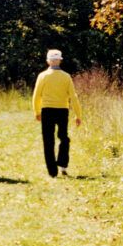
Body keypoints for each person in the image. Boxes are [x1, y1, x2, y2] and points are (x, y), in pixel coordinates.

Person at [32, 49, 82, 178]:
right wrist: (78, 114)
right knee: (63, 137)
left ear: (48, 61)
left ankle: (52, 171)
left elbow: (36, 96)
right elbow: (73, 96)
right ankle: (63, 163)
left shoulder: (42, 76)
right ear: (60, 60)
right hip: (62, 110)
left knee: (48, 140)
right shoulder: (66, 76)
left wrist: (36, 111)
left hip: (47, 110)